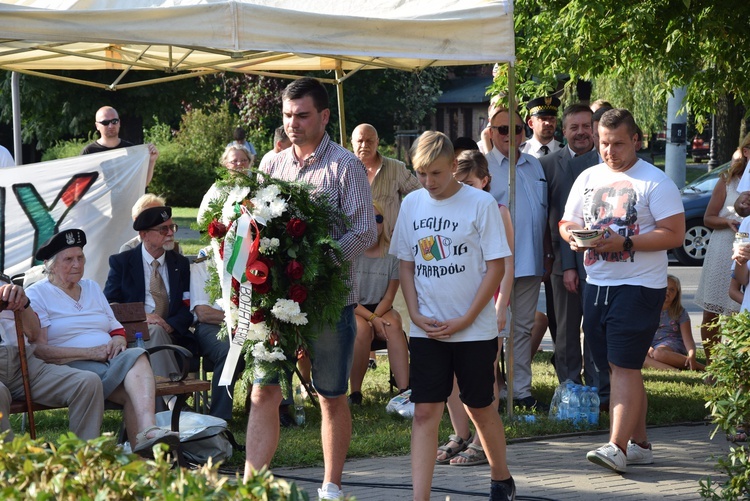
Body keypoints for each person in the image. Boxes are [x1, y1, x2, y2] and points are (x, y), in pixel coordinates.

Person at [245, 77, 376, 500]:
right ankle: (251, 485)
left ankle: (331, 486)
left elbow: (364, 231)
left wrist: (316, 266)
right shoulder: (271, 163)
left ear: (323, 116)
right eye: (286, 115)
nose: (292, 124)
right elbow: (256, 227)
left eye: (302, 115)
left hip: (329, 300)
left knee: (330, 394)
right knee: (264, 388)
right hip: (276, 301)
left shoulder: (345, 165)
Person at [559, 108, 684, 473]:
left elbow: (674, 234)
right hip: (596, 282)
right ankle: (640, 443)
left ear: (636, 141)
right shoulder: (588, 176)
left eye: (617, 143)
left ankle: (616, 447)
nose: (609, 151)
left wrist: (624, 242)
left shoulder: (655, 182)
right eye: (603, 144)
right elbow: (567, 221)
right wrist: (573, 237)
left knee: (624, 365)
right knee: (616, 367)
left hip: (640, 285)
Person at [391, 131, 514, 500]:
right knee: (425, 412)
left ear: (452, 168)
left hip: (474, 331)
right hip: (427, 329)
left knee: (480, 407)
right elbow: (406, 265)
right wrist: (414, 312)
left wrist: (467, 318)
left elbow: (496, 267)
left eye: (437, 174)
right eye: (421, 174)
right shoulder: (412, 204)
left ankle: (500, 478)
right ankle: (420, 496)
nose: (429, 182)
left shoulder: (480, 204)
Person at [25, 230, 179, 455]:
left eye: (80, 258)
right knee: (132, 378)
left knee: (137, 355)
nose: (77, 264)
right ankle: (142, 443)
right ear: (50, 265)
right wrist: (90, 353)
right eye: (68, 259)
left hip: (108, 360)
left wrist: (117, 339)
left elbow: (114, 326)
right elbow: (40, 350)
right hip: (70, 367)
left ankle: (145, 442)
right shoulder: (38, 294)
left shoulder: (91, 287)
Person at [434, 149, 515, 467]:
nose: (463, 188)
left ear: (485, 180)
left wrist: (501, 305)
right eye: (458, 182)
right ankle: (460, 433)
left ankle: (483, 440)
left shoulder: (498, 211)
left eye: (469, 182)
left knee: (483, 373)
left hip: (487, 302)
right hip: (453, 302)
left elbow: (507, 264)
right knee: (452, 374)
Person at [485, 105, 551, 410]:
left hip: (531, 261)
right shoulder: (482, 167)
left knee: (523, 329)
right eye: (502, 129)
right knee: (495, 330)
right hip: (495, 267)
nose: (509, 135)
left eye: (516, 129)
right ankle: (491, 389)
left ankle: (521, 390)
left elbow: (543, 213)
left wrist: (547, 253)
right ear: (490, 132)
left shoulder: (535, 165)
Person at [104, 205, 191, 400]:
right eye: (163, 229)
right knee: (154, 330)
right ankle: (172, 400)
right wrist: (144, 317)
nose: (170, 233)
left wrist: (170, 324)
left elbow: (188, 306)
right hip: (133, 333)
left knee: (158, 331)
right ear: (144, 235)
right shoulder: (122, 262)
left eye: (172, 227)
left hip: (173, 332)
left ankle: (157, 404)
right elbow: (110, 304)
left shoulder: (180, 264)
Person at [0, 282, 104, 441]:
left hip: (24, 364)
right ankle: (10, 461)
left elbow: (34, 334)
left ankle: (82, 459)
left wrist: (24, 303)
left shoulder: (6, 286)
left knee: (87, 382)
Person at [541, 103, 596, 387]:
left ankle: (601, 390)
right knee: (565, 331)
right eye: (574, 127)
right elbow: (550, 218)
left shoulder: (606, 163)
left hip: (603, 262)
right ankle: (569, 387)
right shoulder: (548, 165)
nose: (581, 133)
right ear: (564, 131)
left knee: (597, 329)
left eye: (586, 126)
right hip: (562, 264)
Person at [348, 202, 408, 405]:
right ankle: (355, 392)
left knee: (394, 325)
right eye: (368, 219)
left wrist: (377, 318)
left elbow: (389, 297)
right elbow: (350, 300)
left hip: (382, 308)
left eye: (378, 219)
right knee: (362, 330)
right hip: (355, 309)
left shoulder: (392, 255)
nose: (374, 224)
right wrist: (372, 319)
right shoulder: (351, 254)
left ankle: (405, 392)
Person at [694, 139, 747, 364]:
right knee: (713, 308)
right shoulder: (727, 180)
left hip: (746, 248)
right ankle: (713, 366)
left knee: (740, 310)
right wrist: (727, 222)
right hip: (723, 246)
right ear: (746, 151)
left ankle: (736, 366)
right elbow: (708, 217)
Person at [190, 247, 243, 422]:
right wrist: (238, 321)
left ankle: (278, 409)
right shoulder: (205, 263)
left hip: (251, 325)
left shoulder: (254, 257)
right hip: (213, 325)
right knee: (229, 350)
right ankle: (220, 417)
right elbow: (204, 313)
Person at [351, 123, 421, 230]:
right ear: (352, 143)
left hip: (391, 243)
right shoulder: (343, 171)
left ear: (377, 142)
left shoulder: (396, 168)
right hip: (356, 243)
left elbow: (421, 195)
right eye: (360, 141)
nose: (364, 145)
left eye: (369, 141)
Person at [81, 106, 159, 185]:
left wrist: (151, 161)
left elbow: (142, 183)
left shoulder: (130, 150)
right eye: (105, 122)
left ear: (119, 123)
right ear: (97, 126)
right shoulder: (89, 152)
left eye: (114, 121)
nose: (110, 126)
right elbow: (80, 186)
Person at [643, 275, 704, 371]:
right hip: (650, 344)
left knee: (659, 353)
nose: (667, 292)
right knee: (640, 358)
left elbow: (688, 339)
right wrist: (648, 348)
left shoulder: (680, 312)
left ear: (677, 294)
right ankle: (674, 371)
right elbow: (640, 334)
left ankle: (700, 366)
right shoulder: (647, 310)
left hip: (671, 344)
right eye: (665, 288)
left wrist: (691, 353)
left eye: (672, 290)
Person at [197, 144, 255, 223]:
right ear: (226, 164)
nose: (239, 164)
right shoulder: (217, 189)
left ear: (249, 162)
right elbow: (202, 219)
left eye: (244, 160)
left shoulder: (256, 188)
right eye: (234, 161)